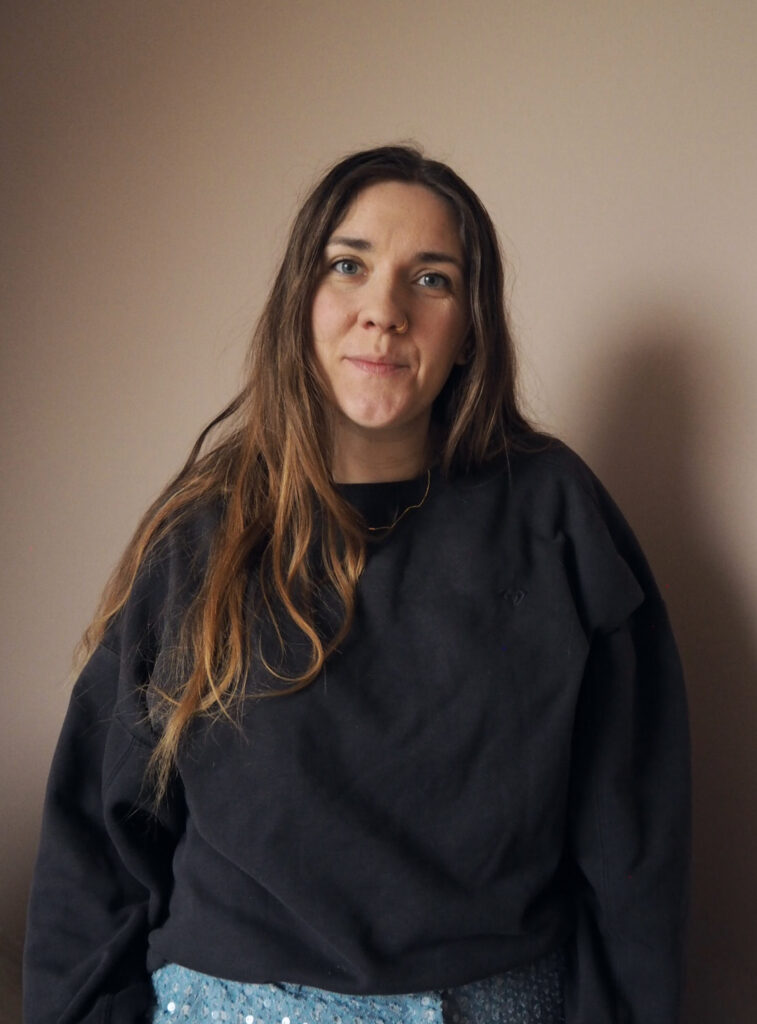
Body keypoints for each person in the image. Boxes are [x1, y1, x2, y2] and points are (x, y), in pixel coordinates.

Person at [23, 145, 690, 1024]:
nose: (384, 311)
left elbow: (633, 837)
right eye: (349, 266)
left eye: (432, 279)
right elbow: (96, 842)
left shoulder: (556, 515)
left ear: (470, 329)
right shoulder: (202, 534)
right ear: (300, 299)